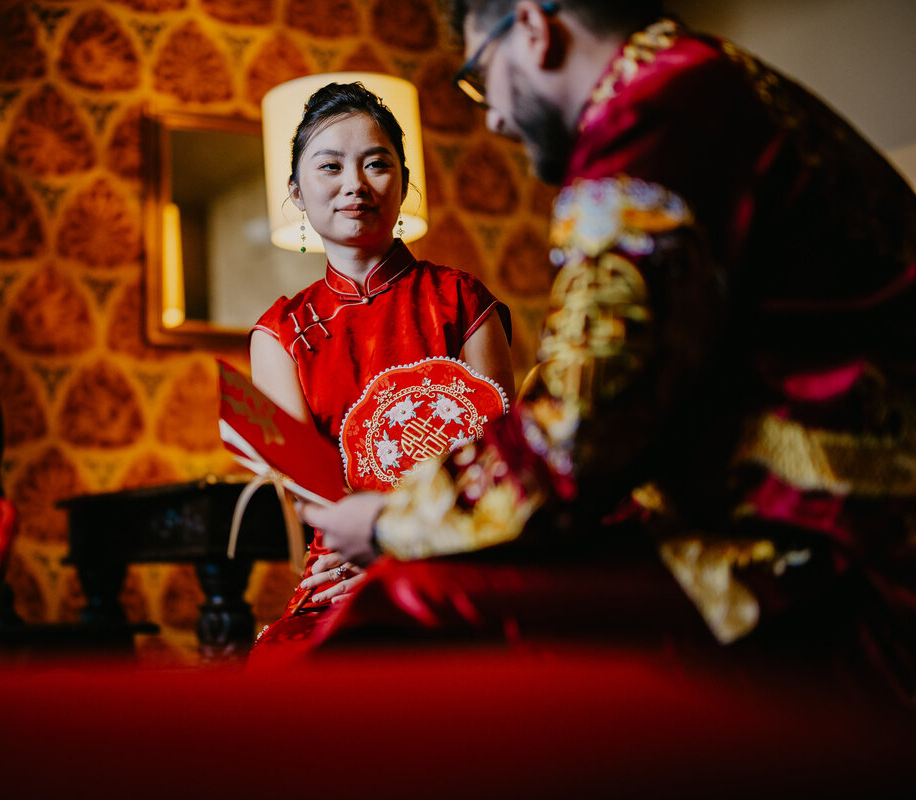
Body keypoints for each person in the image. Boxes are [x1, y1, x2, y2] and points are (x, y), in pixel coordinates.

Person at [300, 0, 916, 699]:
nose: (494, 116)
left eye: (481, 77)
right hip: (839, 524)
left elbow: (580, 435)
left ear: (533, 27)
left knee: (401, 610)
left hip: (845, 562)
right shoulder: (714, 80)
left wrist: (388, 523)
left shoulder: (650, 123)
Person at [248, 82, 516, 661]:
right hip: (342, 569)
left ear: (402, 182)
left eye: (376, 164)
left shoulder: (464, 302)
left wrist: (405, 545)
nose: (355, 184)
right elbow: (308, 493)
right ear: (296, 191)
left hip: (460, 556)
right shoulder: (279, 333)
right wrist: (365, 555)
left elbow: (506, 459)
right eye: (330, 166)